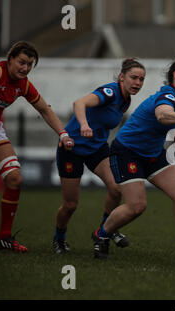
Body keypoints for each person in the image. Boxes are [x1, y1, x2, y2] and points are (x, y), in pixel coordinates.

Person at [91, 50, 175, 261]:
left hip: (152, 153)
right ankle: (101, 235)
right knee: (137, 206)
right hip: (127, 152)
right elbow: (162, 115)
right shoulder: (168, 95)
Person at [53, 58, 145, 254]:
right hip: (72, 149)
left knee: (116, 188)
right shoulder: (110, 92)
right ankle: (59, 239)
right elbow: (79, 103)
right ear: (122, 77)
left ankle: (106, 229)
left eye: (141, 79)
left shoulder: (126, 100)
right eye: (134, 77)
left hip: (97, 149)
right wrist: (84, 125)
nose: (137, 83)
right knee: (70, 205)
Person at [0, 41, 74, 252]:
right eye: (21, 62)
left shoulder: (24, 85)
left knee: (14, 179)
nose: (25, 68)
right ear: (9, 59)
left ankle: (4, 238)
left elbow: (45, 110)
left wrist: (63, 134)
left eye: (30, 64)